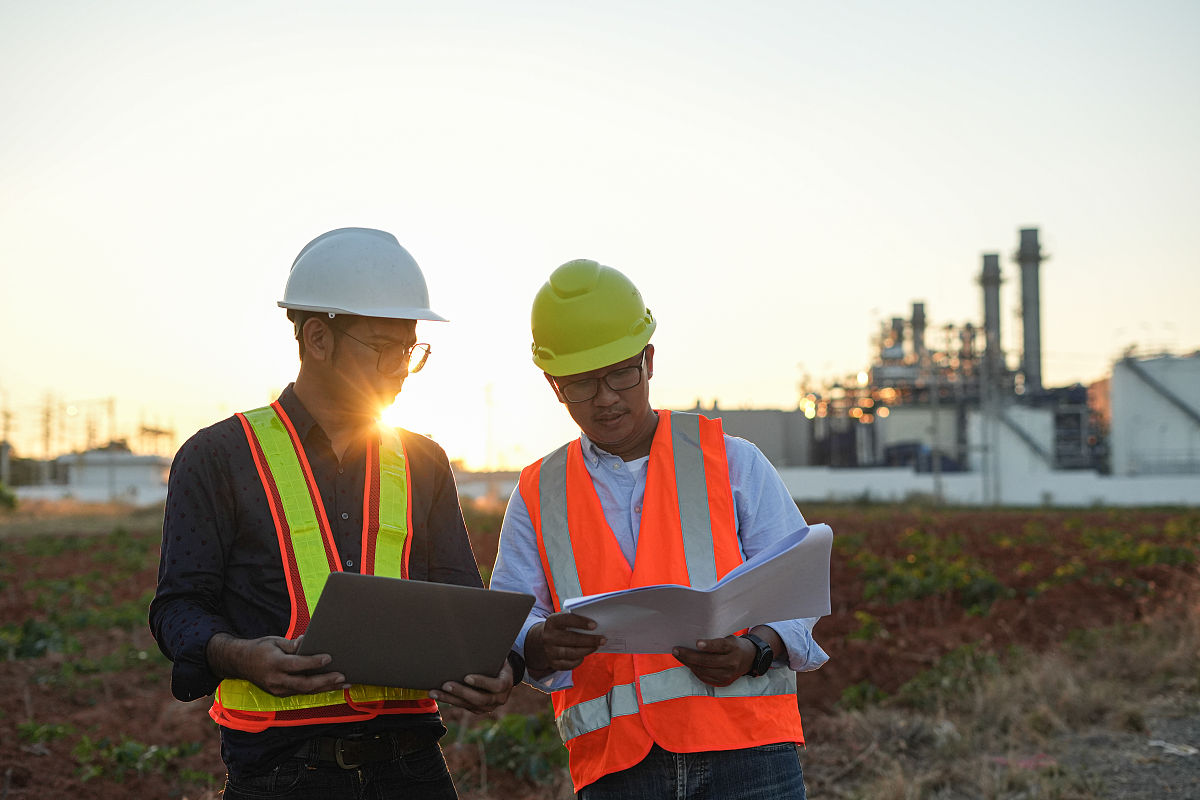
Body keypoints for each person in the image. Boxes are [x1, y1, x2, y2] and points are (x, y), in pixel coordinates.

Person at [149, 227, 519, 799]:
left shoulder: (424, 461)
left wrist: (493, 667)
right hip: (281, 774)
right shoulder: (218, 457)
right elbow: (178, 608)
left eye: (411, 350)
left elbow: (460, 601)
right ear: (318, 338)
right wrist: (240, 656)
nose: (401, 367)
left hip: (412, 768)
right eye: (384, 347)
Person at [489, 259, 828, 798]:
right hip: (617, 768)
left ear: (648, 360)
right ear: (554, 386)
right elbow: (512, 617)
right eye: (581, 383)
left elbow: (795, 588)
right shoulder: (537, 492)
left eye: (620, 373)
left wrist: (755, 650)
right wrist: (537, 643)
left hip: (749, 755)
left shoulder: (731, 460)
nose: (605, 397)